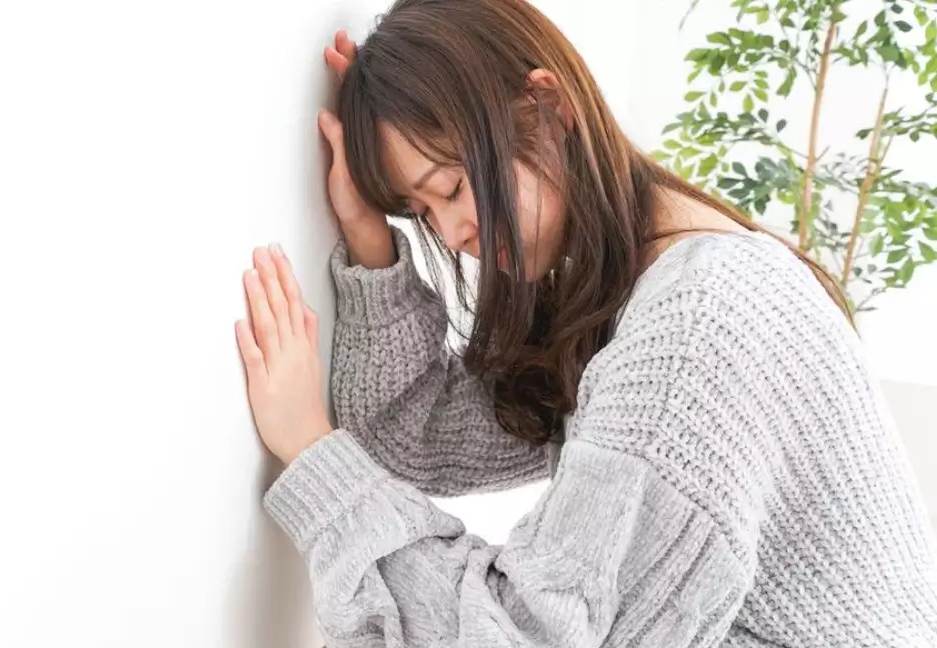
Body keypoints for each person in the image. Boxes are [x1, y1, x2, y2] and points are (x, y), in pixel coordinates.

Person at [234, 0, 937, 645]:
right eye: (421, 212)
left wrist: (308, 449)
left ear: (547, 108)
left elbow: (518, 635)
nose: (451, 233)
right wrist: (370, 239)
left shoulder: (696, 325)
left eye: (452, 186)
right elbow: (416, 437)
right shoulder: (628, 290)